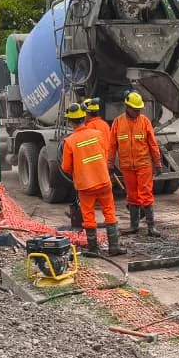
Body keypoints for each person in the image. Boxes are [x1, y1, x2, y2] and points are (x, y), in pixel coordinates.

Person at [61, 103, 124, 256]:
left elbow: (66, 167)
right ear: (84, 118)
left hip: (85, 186)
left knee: (88, 215)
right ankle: (114, 247)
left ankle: (93, 249)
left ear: (71, 121)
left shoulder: (70, 141)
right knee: (109, 212)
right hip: (103, 181)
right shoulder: (97, 134)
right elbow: (105, 153)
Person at [109, 90, 161, 237]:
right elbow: (112, 146)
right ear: (127, 107)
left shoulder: (145, 122)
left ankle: (151, 227)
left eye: (139, 110)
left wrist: (157, 163)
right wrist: (110, 165)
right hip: (127, 167)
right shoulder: (118, 123)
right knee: (132, 196)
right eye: (135, 109)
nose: (138, 112)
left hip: (144, 165)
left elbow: (153, 144)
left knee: (146, 195)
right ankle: (134, 226)